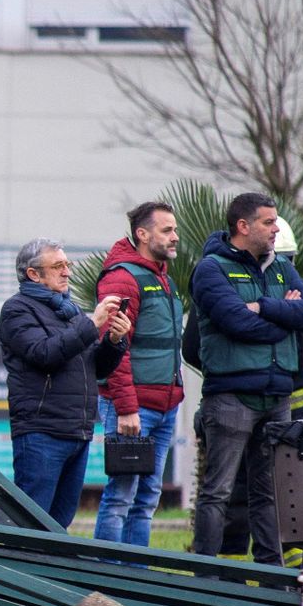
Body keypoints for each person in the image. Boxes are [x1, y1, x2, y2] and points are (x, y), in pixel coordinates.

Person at [189, 193, 303, 566]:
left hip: (277, 397)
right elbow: (236, 322)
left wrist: (264, 307)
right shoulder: (211, 270)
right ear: (243, 226)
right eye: (268, 222)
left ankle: (270, 576)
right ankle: (206, 575)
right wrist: (284, 320)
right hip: (231, 398)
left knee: (268, 494)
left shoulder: (280, 267)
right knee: (218, 492)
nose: (276, 228)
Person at [1, 238, 130, 527]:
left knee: (60, 524)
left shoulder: (69, 311)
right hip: (41, 431)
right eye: (58, 266)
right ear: (33, 274)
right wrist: (91, 325)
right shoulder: (17, 309)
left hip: (77, 431)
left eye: (67, 264)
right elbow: (44, 354)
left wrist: (114, 340)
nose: (67, 272)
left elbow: (96, 368)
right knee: (30, 524)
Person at [92, 202, 185, 549]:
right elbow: (114, 348)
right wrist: (127, 408)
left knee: (146, 500)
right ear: (143, 234)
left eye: (175, 229)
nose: (175, 237)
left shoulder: (162, 277)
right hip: (134, 408)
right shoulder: (123, 278)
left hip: (164, 405)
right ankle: (109, 574)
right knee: (121, 498)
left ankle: (136, 574)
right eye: (167, 230)